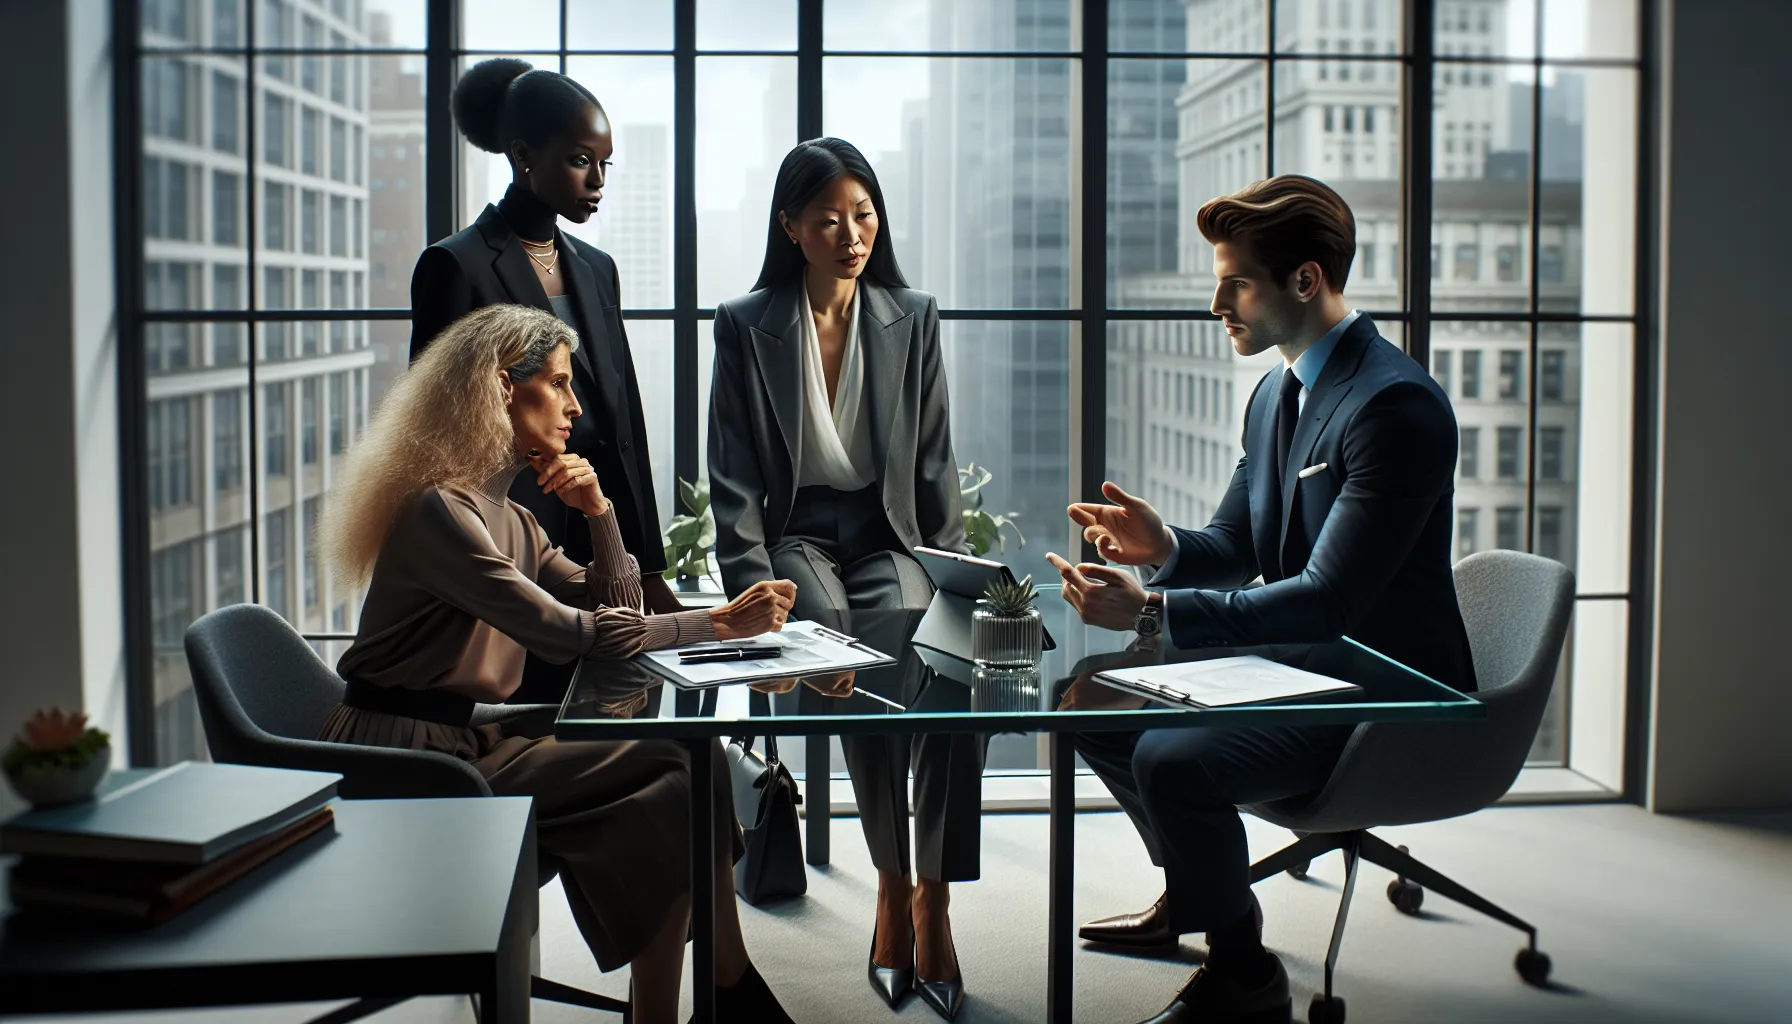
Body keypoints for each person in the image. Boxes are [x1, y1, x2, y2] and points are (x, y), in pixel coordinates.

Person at [1045, 175, 1476, 1024]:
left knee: (1174, 760)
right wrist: (1163, 549)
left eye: (1235, 280)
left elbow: (1326, 603)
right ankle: (1199, 890)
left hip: (1382, 688)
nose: (1216, 302)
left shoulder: (1394, 406)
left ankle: (1242, 969)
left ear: (1305, 281)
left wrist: (1152, 612)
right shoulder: (1276, 393)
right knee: (1086, 702)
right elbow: (1240, 546)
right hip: (1295, 662)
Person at [316, 304, 801, 1024]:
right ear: (500, 388)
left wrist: (600, 510)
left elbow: (611, 600)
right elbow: (571, 633)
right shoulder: (442, 513)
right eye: (558, 383)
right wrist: (717, 623)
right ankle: (720, 993)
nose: (575, 405)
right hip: (403, 762)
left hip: (465, 740)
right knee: (672, 768)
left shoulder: (510, 514)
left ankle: (706, 996)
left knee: (679, 775)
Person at [707, 138, 977, 1020]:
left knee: (938, 654)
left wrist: (952, 580)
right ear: (792, 227)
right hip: (799, 536)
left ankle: (929, 896)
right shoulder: (747, 324)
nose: (852, 233)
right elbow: (735, 480)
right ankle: (892, 886)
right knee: (843, 647)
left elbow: (935, 464)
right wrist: (751, 593)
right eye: (828, 218)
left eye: (864, 214)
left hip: (890, 533)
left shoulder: (912, 314)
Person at [409, 57, 677, 703]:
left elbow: (623, 423)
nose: (598, 181)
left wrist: (649, 565)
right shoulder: (455, 266)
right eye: (581, 160)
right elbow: (436, 434)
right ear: (524, 155)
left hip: (603, 538)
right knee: (535, 726)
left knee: (618, 721)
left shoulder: (596, 268)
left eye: (606, 164)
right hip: (513, 545)